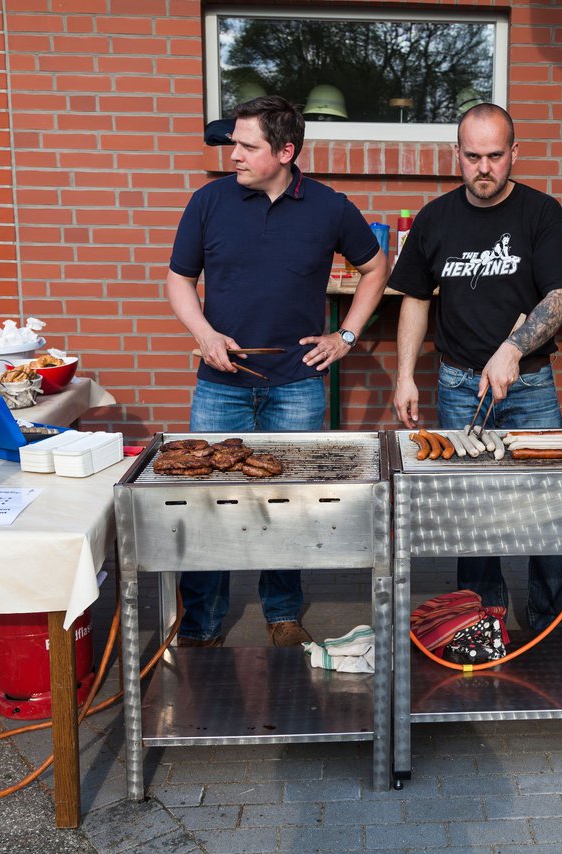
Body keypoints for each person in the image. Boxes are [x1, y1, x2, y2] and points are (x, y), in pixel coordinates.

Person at [166, 95, 388, 648]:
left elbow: (376, 266)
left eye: (247, 146)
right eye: (232, 144)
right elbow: (178, 280)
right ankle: (201, 624)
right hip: (220, 387)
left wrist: (346, 337)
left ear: (286, 151)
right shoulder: (208, 201)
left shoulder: (330, 207)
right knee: (207, 504)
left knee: (287, 504)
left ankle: (283, 612)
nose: (233, 154)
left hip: (297, 385)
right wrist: (204, 334)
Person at [389, 103, 562, 631]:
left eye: (495, 156)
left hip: (529, 384)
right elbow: (414, 297)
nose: (483, 167)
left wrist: (513, 347)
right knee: (472, 511)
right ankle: (480, 621)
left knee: (547, 506)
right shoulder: (435, 217)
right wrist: (405, 373)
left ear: (514, 154)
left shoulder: (541, 213)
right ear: (457, 154)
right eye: (472, 156)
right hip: (458, 385)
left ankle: (553, 623)